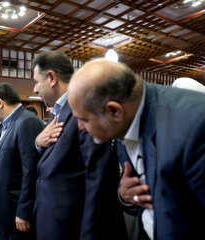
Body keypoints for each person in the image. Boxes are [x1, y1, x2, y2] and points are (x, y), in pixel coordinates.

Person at [68, 58, 205, 240]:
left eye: (84, 119)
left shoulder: (195, 126)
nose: (80, 127)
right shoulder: (128, 122)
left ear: (114, 111)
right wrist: (125, 195)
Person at [32, 50, 127, 240]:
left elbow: (99, 180)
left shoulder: (85, 108)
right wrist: (37, 143)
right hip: (54, 222)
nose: (35, 89)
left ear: (51, 78)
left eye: (36, 81)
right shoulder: (60, 114)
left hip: (73, 228)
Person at [0, 82, 44, 240]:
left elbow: (31, 170)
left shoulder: (26, 122)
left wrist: (24, 211)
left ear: (0, 102)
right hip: (5, 213)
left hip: (16, 214)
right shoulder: (7, 125)